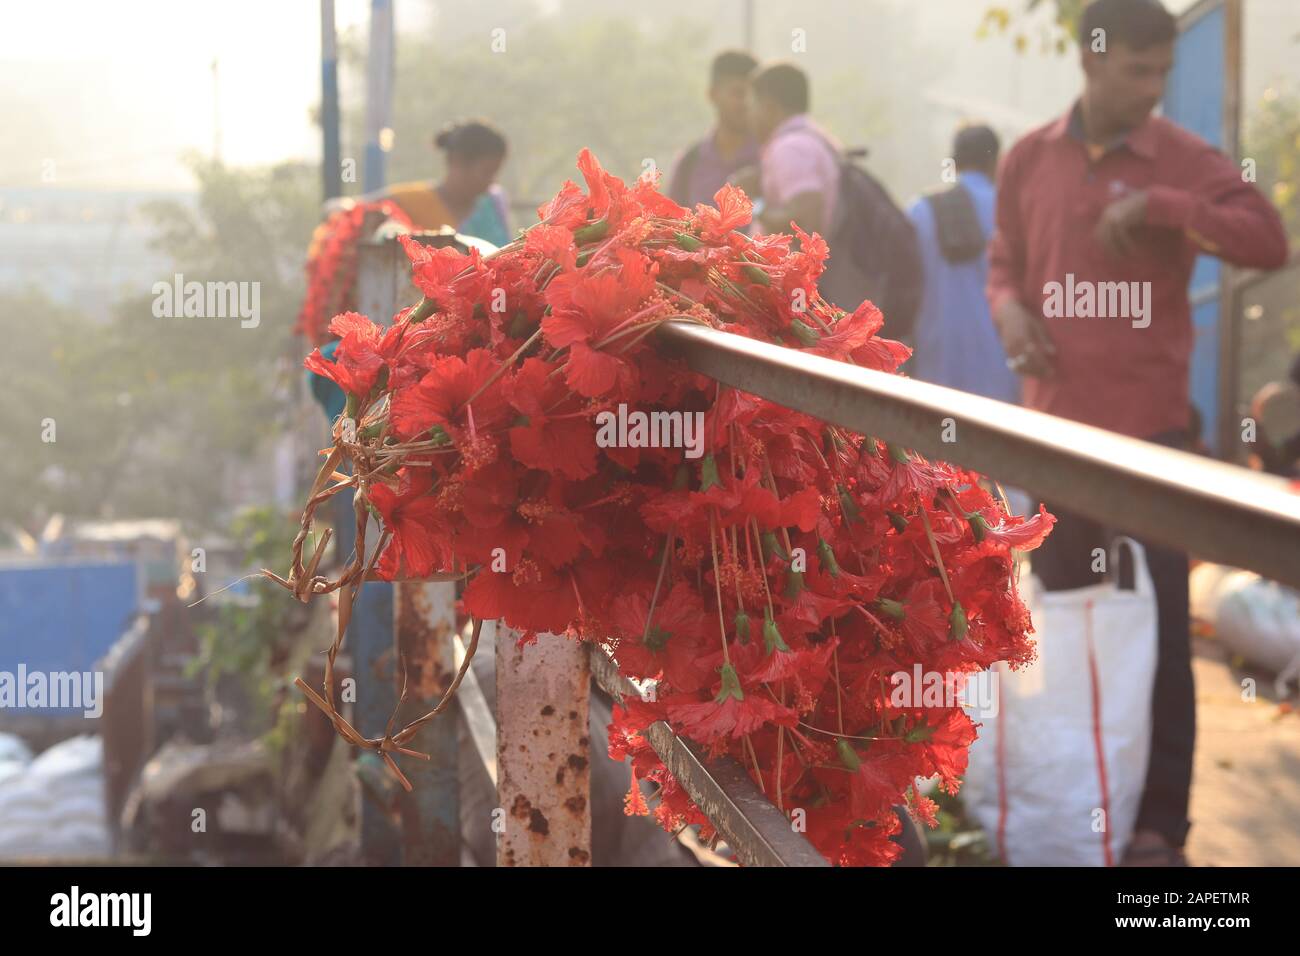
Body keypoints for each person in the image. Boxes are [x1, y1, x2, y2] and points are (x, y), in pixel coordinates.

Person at [986, 0, 1290, 866]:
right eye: (1137, 71)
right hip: (1054, 448)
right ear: (1092, 59)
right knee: (1062, 635)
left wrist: (1165, 207)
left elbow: (1267, 241)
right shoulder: (1028, 160)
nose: (1152, 90)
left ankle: (1159, 829)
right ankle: (1079, 800)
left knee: (1156, 648)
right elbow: (1005, 260)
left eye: (1161, 72)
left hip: (1152, 454)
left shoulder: (1182, 162)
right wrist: (1008, 309)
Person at [906, 124, 1019, 401]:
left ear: (953, 163)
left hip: (936, 362)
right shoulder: (1012, 209)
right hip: (1000, 369)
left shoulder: (921, 210)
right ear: (996, 163)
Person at [746, 62, 839, 239]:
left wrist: (753, 202)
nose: (749, 116)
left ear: (769, 107)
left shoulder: (790, 148)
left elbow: (806, 221)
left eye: (753, 106)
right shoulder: (814, 139)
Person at [384, 119, 511, 246]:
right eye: (487, 172)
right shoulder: (412, 202)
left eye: (495, 173)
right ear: (457, 161)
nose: (491, 181)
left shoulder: (494, 203)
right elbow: (367, 208)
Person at [666, 50, 760, 209]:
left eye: (753, 96)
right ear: (712, 94)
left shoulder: (770, 159)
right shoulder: (689, 163)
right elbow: (670, 225)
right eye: (738, 93)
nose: (746, 103)